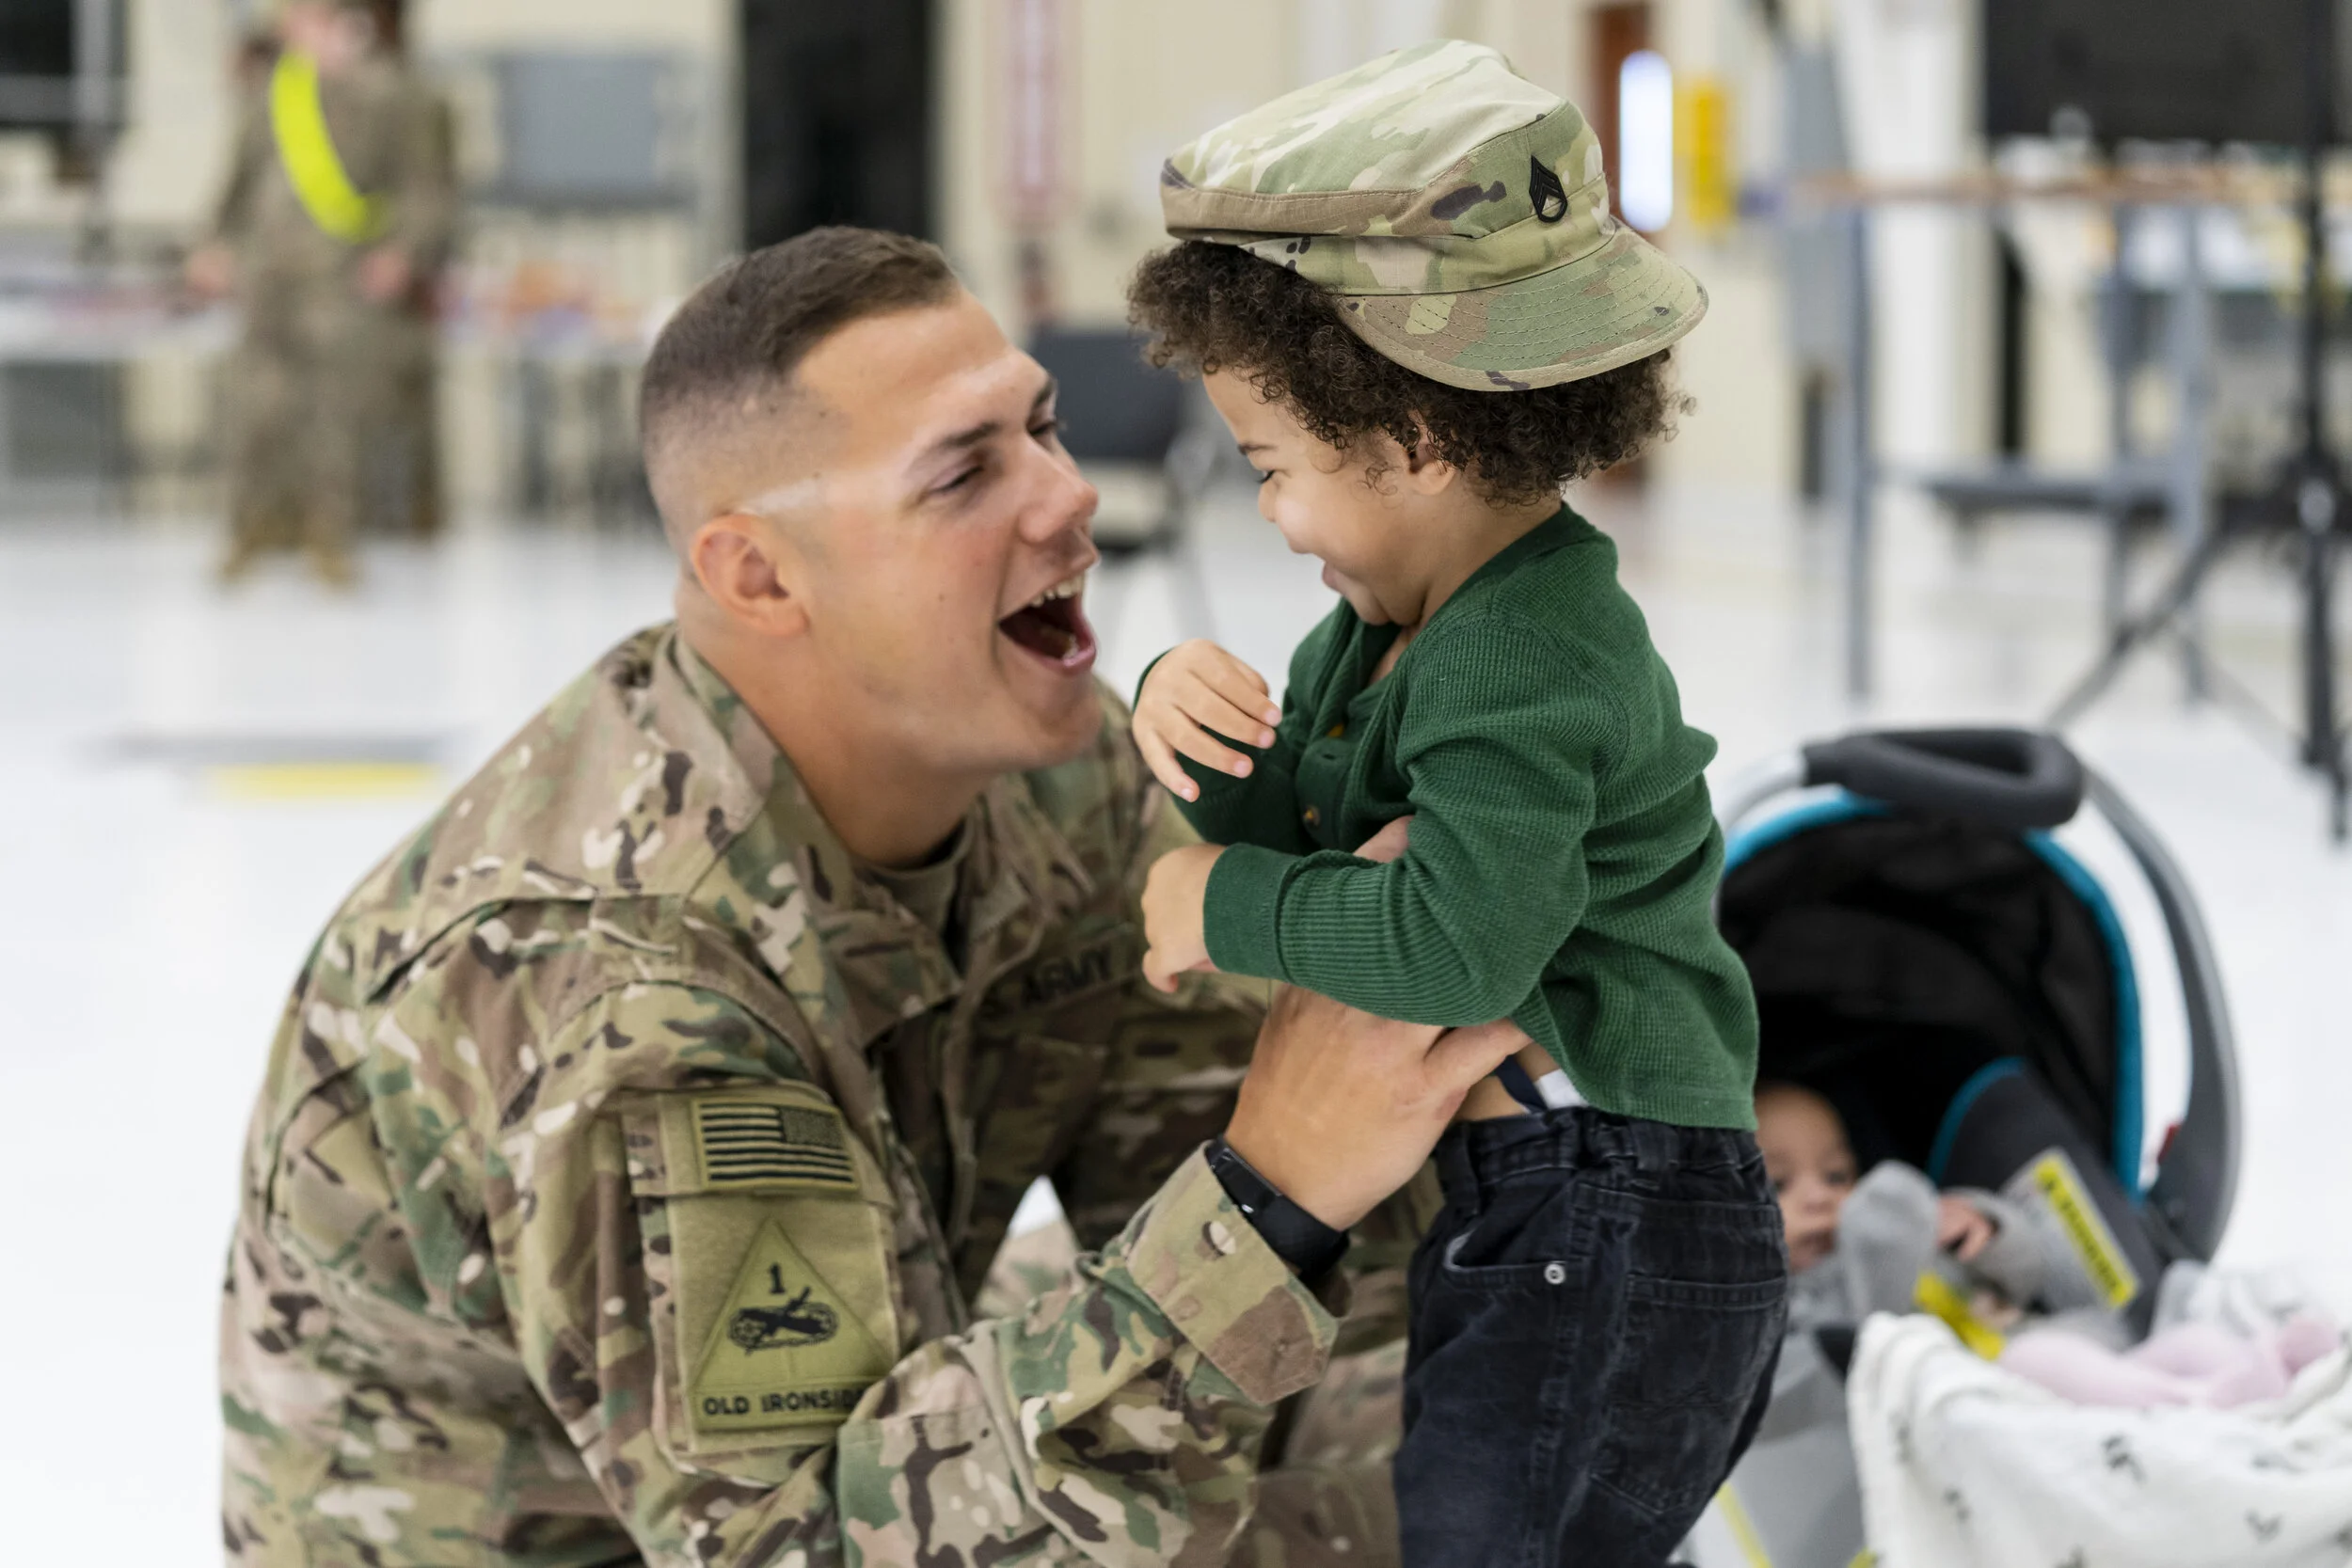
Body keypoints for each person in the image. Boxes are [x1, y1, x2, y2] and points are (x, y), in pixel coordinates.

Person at [220, 226, 1526, 1567]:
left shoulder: (1061, 772)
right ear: (759, 575)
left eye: (1044, 425)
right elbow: (810, 1543)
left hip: (858, 1425)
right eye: (963, 471)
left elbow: (1295, 1243)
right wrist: (1275, 1199)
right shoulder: (627, 985)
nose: (1066, 495)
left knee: (1496, 1469)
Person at [1123, 41, 1787, 1568]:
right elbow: (1312, 843)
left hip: (1622, 1208)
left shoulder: (1526, 651)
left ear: (1414, 436)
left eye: (1273, 465)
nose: (1272, 514)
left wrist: (1204, 905)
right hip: (1549, 1202)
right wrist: (1200, 734)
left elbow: (1457, 943)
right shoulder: (1391, 623)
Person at [1758, 1079, 2342, 1412]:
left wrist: (1987, 1234)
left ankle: (2267, 1368)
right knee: (2040, 1361)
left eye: (1838, 1176)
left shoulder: (1926, 1224)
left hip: (2066, 1350)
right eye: (1778, 1184)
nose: (1820, 1198)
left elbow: (2030, 1276)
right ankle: (2201, 1407)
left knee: (2186, 1340)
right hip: (1985, 1401)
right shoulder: (1786, 1304)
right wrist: (1879, 1237)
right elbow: (1846, 1354)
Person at [188, 0, 454, 587]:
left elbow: (425, 188)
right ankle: (253, 529)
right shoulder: (273, 93)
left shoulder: (390, 94)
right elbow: (237, 180)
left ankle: (329, 535)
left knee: (335, 413)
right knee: (257, 408)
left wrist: (403, 253)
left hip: (338, 276)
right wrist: (213, 244)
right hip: (267, 275)